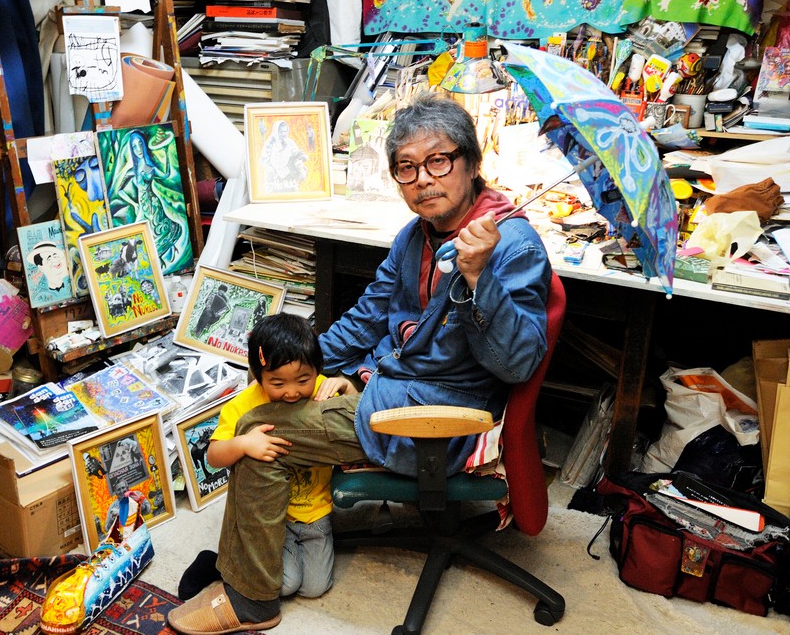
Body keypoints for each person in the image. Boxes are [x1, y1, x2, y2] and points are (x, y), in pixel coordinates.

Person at [167, 93, 552, 635]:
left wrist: (477, 277)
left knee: (261, 429)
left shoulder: (512, 246)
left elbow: (517, 365)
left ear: (471, 163)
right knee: (263, 404)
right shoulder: (416, 236)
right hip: (387, 385)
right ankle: (260, 558)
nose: (423, 179)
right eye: (407, 168)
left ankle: (251, 598)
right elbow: (368, 316)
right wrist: (296, 364)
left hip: (441, 415)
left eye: (439, 161)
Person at [177, 313, 343, 603]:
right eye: (277, 383)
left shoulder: (321, 388)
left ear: (317, 369)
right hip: (269, 519)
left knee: (314, 588)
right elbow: (213, 456)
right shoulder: (243, 405)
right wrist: (243, 443)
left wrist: (345, 386)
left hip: (316, 513)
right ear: (257, 374)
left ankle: (256, 558)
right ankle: (218, 562)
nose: (292, 392)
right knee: (284, 585)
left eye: (303, 380)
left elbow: (354, 415)